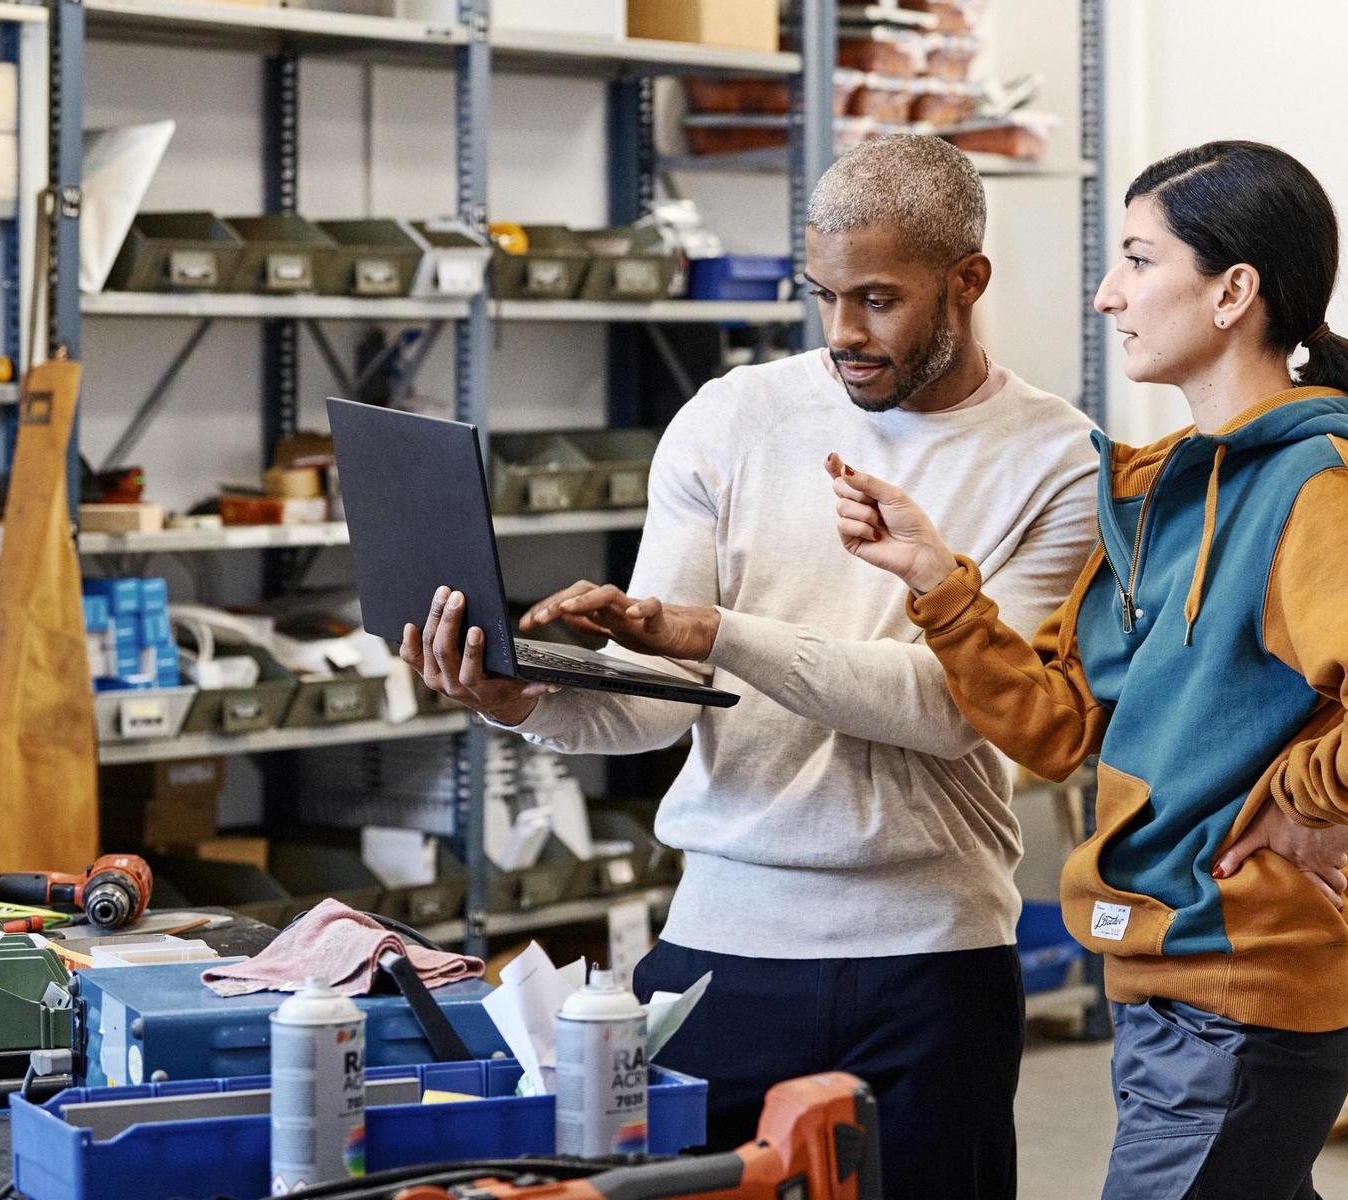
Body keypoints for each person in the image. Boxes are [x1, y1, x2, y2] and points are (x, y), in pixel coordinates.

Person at [399, 135, 1099, 1200]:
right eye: (821, 295)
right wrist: (520, 699)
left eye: (876, 299)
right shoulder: (732, 419)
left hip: (931, 961)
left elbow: (956, 708)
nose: (841, 334)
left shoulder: (1057, 462)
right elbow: (657, 704)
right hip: (719, 952)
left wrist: (719, 633)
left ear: (967, 282)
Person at [826, 140, 1348, 1200]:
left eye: (1137, 260)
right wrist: (935, 581)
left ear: (1232, 291)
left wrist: (1299, 799)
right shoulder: (1154, 497)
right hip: (1164, 987)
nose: (1105, 295)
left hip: (1234, 995)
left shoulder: (1315, 485)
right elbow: (1056, 727)